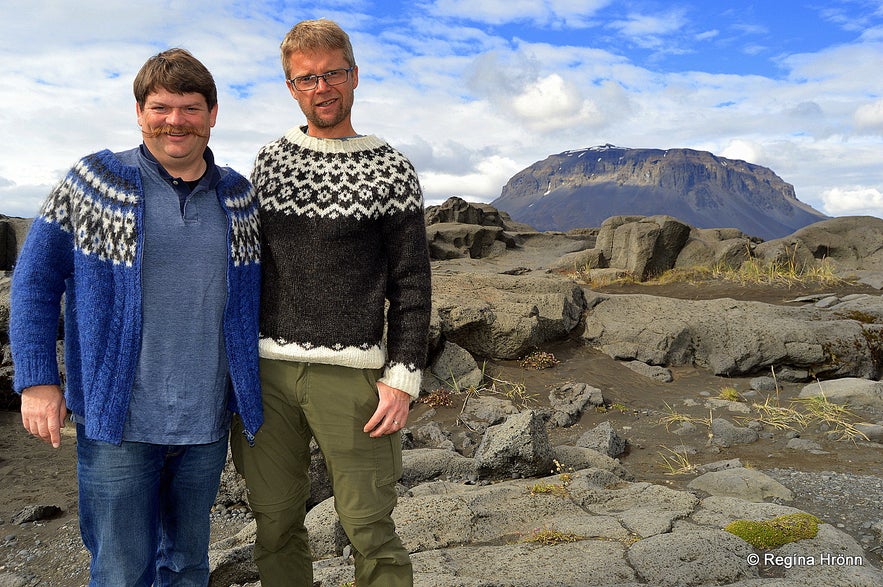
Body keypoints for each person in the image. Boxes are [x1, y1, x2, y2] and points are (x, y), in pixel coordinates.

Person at [9, 48, 263, 586]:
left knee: (188, 564)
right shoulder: (93, 182)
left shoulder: (240, 198)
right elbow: (33, 283)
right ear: (140, 113)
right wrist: (37, 381)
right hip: (117, 423)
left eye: (191, 108)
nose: (176, 121)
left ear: (213, 114)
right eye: (161, 107)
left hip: (205, 424)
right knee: (122, 570)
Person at [229, 18, 431, 587]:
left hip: (355, 379)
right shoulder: (270, 162)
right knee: (275, 522)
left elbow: (412, 281)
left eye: (333, 74)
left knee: (370, 526)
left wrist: (404, 375)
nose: (322, 88)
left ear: (354, 76)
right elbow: (245, 267)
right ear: (292, 88)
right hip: (267, 375)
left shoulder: (390, 168)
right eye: (307, 78)